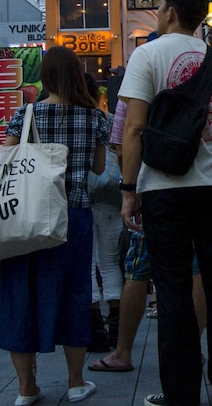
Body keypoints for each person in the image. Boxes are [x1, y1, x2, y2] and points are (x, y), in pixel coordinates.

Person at [119, 0, 212, 406]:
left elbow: (135, 128)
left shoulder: (146, 55)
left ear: (170, 11)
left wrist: (128, 190)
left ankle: (182, 393)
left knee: (172, 290)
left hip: (164, 189)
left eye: (159, 5)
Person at [0, 46, 109, 405]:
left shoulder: (24, 114)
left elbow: (8, 163)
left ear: (44, 76)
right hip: (72, 216)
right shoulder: (94, 118)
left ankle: (26, 388)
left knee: (19, 294)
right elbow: (97, 168)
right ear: (77, 74)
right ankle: (76, 382)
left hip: (26, 217)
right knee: (75, 292)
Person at [85, 74, 124, 353]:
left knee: (86, 266)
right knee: (110, 263)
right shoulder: (107, 120)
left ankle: (94, 330)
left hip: (79, 198)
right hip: (111, 195)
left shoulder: (68, 120)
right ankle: (118, 327)